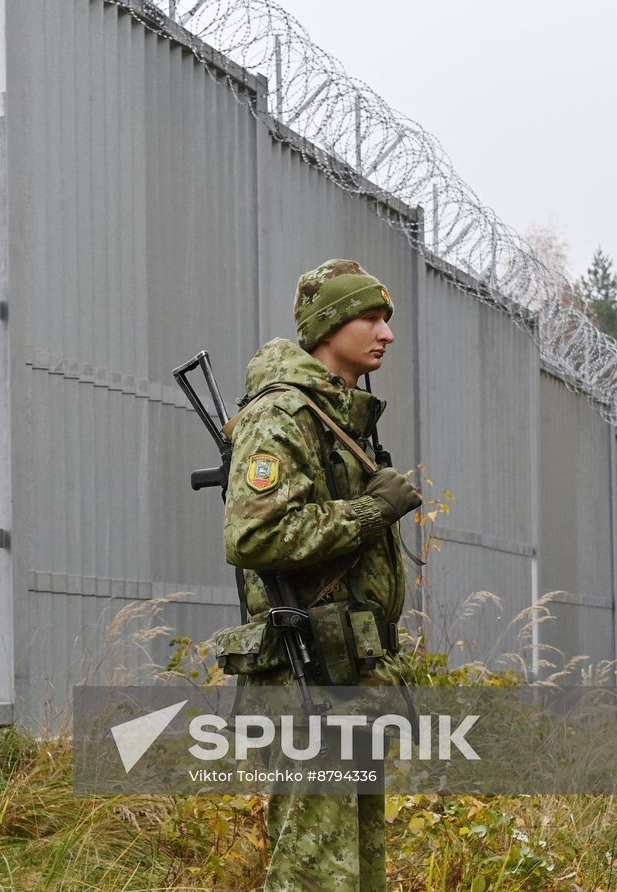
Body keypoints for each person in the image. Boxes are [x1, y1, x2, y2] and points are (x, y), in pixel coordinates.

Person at [222, 259, 422, 891]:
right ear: (328, 325)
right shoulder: (282, 415)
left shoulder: (340, 414)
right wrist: (372, 511)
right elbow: (253, 533)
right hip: (307, 674)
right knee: (312, 874)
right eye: (370, 317)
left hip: (349, 671)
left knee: (359, 872)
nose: (386, 333)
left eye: (387, 318)